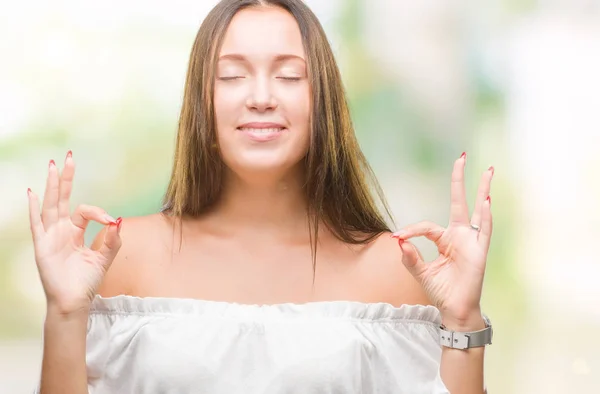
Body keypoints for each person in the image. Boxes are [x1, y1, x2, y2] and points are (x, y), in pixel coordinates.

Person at [28, 0, 494, 393]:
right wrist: (65, 313)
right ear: (201, 104)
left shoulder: (392, 267)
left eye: (289, 76)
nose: (261, 97)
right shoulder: (121, 253)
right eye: (232, 76)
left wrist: (463, 317)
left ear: (324, 104)